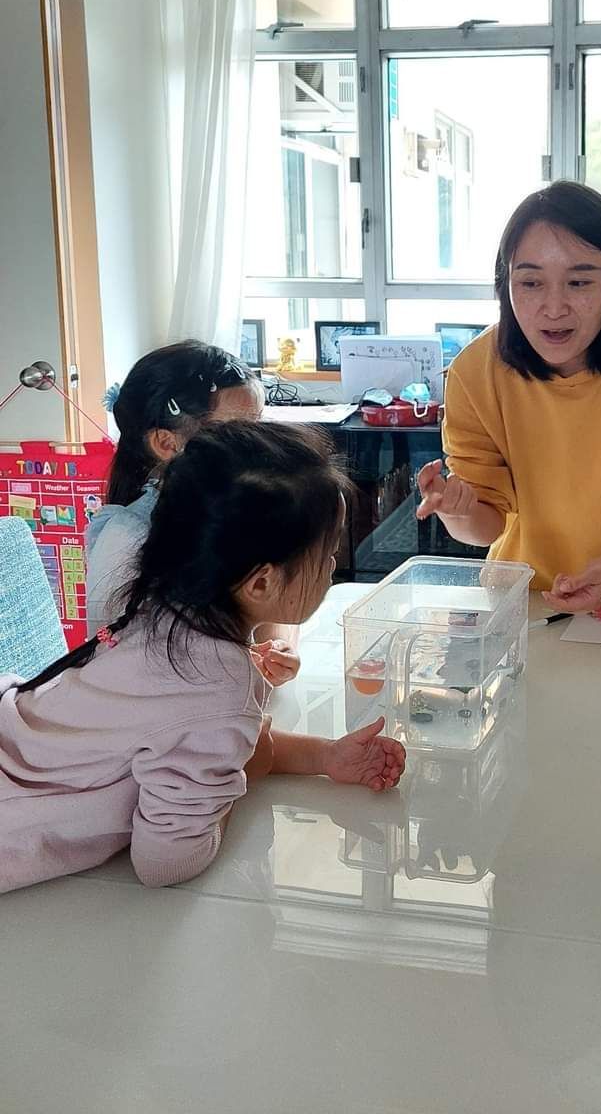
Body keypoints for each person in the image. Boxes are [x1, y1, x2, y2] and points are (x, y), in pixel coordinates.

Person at [0, 422, 405, 894]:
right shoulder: (217, 686)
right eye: (326, 553)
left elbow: (201, 739)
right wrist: (248, 776)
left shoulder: (167, 609)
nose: (333, 565)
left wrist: (323, 755)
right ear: (261, 583)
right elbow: (164, 863)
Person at [416, 182, 601, 609]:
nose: (554, 308)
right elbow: (487, 522)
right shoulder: (475, 372)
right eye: (531, 282)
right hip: (526, 598)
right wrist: (456, 512)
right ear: (507, 284)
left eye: (578, 282)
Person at [87, 340, 297, 687]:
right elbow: (118, 677)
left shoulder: (238, 507)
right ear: (168, 445)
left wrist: (280, 647)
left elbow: (279, 600)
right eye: (238, 433)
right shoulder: (127, 538)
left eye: (259, 426)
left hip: (234, 707)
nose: (262, 445)